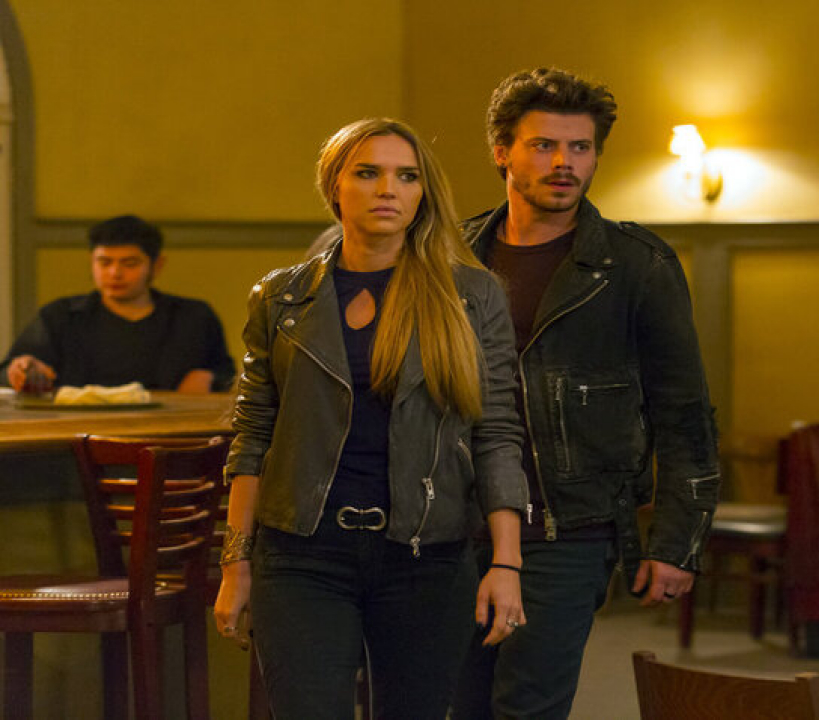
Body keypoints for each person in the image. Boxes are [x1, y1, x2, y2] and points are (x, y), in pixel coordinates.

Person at [213, 118, 528, 720]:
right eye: (367, 173)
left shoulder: (471, 295)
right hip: (302, 554)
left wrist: (506, 562)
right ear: (334, 186)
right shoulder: (281, 297)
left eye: (406, 176)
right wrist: (236, 562)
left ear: (423, 193)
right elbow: (252, 435)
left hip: (426, 555)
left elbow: (496, 433)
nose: (388, 189)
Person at [451, 68, 721, 719]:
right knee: (453, 705)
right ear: (501, 152)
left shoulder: (636, 265)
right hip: (453, 522)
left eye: (580, 147)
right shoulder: (451, 258)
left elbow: (684, 414)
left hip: (568, 524)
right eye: (544, 145)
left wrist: (677, 541)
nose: (564, 163)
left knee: (526, 706)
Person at [2, 214, 235, 393]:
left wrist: (210, 378)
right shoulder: (62, 316)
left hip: (172, 432)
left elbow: (229, 375)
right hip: (78, 430)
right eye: (104, 262)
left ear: (156, 265)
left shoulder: (193, 317)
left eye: (130, 263)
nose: (115, 273)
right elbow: (7, 373)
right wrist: (21, 370)